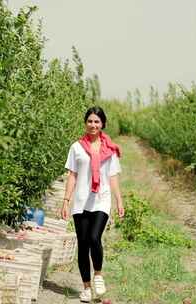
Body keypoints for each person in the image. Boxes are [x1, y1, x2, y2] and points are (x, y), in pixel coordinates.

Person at [60, 106, 125, 303]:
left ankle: (98, 274)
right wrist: (66, 201)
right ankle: (86, 287)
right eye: (90, 121)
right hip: (80, 201)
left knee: (95, 238)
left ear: (102, 124)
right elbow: (72, 175)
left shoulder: (110, 150)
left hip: (101, 200)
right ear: (85, 123)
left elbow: (112, 177)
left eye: (97, 121)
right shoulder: (76, 148)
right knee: (83, 243)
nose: (93, 125)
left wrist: (119, 201)